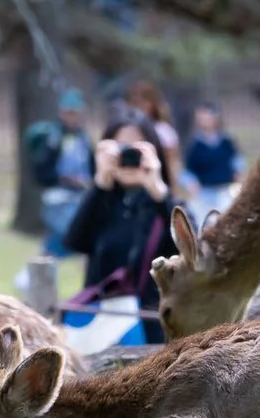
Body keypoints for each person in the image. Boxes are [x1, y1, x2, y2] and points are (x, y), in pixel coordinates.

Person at [62, 117, 176, 342]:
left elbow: (188, 248)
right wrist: (100, 183)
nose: (129, 157)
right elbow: (74, 242)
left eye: (137, 149)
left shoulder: (164, 204)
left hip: (152, 327)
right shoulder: (100, 202)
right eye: (122, 148)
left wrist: (158, 190)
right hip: (101, 327)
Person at [35, 88, 94, 255]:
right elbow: (42, 172)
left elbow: (92, 166)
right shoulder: (53, 138)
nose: (74, 118)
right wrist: (65, 179)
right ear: (62, 113)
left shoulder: (83, 137)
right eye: (70, 113)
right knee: (61, 241)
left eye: (77, 113)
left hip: (80, 197)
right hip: (58, 199)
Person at [181, 102, 242, 218]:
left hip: (225, 191)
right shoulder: (195, 145)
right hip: (205, 194)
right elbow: (187, 172)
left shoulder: (226, 141)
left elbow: (237, 162)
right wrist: (191, 184)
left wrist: (238, 176)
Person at [123, 80, 183, 175]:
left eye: (144, 101)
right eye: (135, 102)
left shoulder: (163, 131)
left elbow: (172, 164)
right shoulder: (125, 130)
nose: (140, 106)